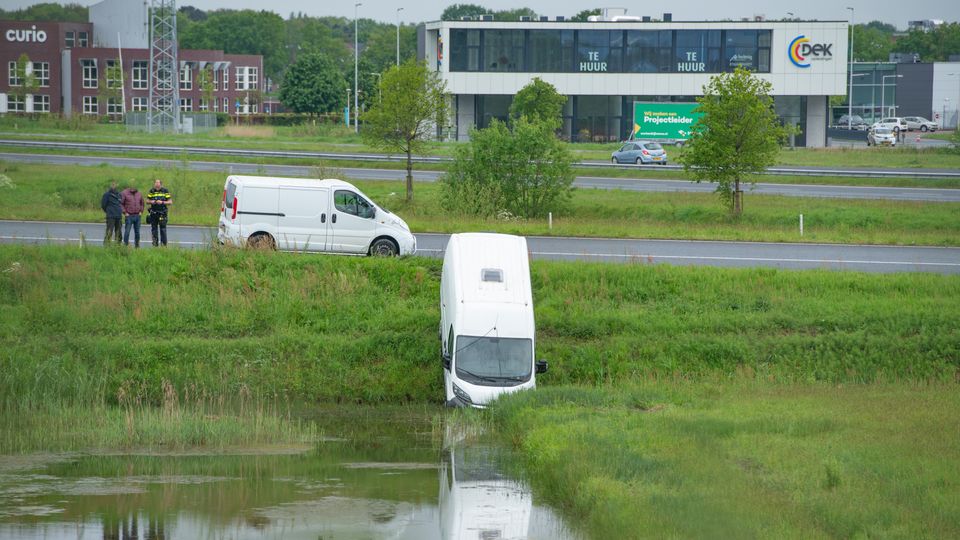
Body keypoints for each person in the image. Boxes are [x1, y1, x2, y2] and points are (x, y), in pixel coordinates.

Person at [146, 179, 172, 247]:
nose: (157, 185)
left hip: (162, 213)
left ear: (161, 184)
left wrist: (162, 202)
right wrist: (151, 202)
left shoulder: (165, 191)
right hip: (153, 213)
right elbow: (147, 201)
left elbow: (170, 202)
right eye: (156, 183)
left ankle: (163, 245)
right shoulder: (151, 191)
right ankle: (155, 245)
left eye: (158, 184)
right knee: (154, 230)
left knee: (163, 230)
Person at [120, 183, 144, 247]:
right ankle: (126, 245)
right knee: (127, 232)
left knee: (137, 232)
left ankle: (137, 246)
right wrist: (125, 212)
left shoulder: (139, 193)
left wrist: (141, 211)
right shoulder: (124, 193)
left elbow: (142, 203)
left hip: (137, 216)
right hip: (129, 216)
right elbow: (121, 204)